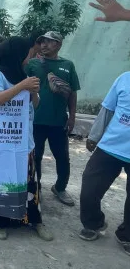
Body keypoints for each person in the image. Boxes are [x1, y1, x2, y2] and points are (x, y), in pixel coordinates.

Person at [0, 36, 53, 241]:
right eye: (28, 53)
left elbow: (33, 106)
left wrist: (34, 93)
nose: (31, 57)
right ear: (16, 55)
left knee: (28, 183)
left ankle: (35, 221)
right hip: (2, 140)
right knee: (2, 182)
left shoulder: (24, 74)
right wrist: (21, 86)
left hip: (23, 142)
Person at [26, 31, 80, 206]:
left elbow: (72, 93)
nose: (44, 45)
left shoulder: (68, 65)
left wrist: (72, 116)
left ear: (58, 44)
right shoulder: (32, 64)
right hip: (36, 120)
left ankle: (60, 188)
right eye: (42, 42)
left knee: (62, 157)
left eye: (49, 42)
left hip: (58, 121)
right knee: (36, 156)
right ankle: (37, 187)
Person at [79, 71, 130, 255]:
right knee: (89, 189)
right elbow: (107, 110)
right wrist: (94, 136)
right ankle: (93, 223)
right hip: (111, 146)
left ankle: (127, 235)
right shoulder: (124, 79)